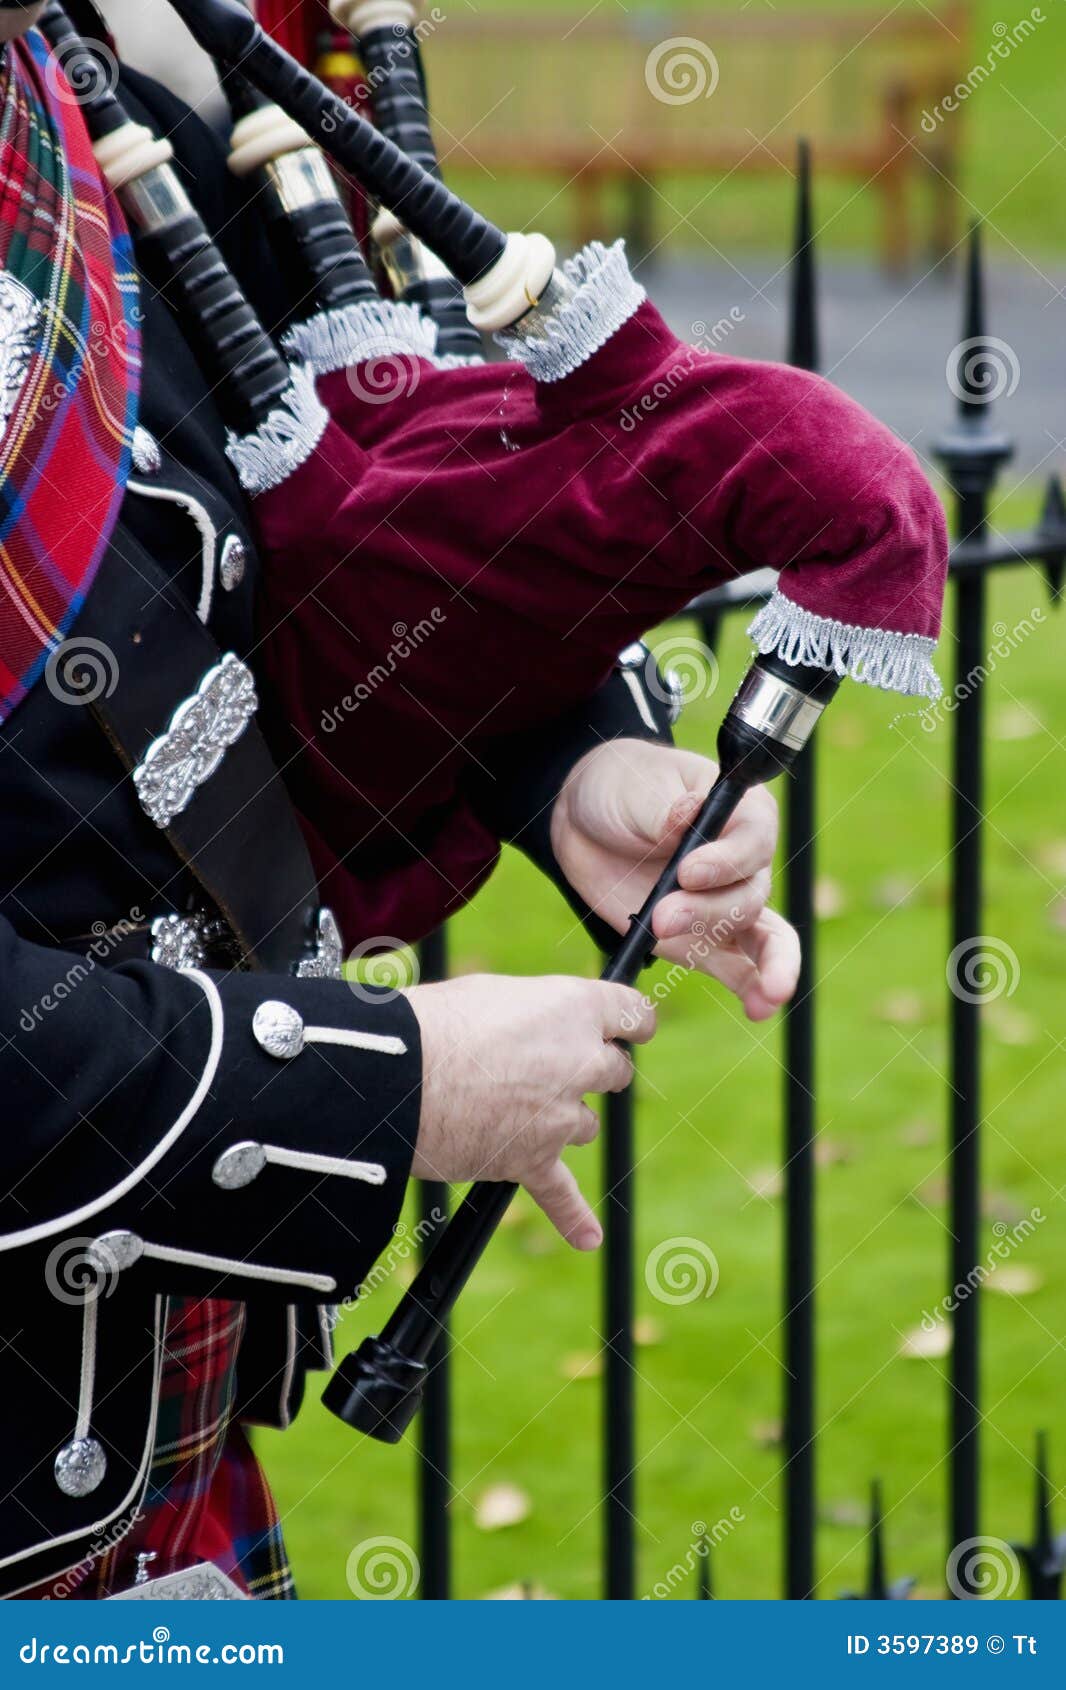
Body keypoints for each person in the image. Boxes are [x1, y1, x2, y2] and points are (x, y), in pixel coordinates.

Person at [0, 2, 795, 1599]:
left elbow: (330, 510)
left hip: (147, 1423)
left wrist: (565, 760)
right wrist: (380, 1082)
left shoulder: (66, 83)